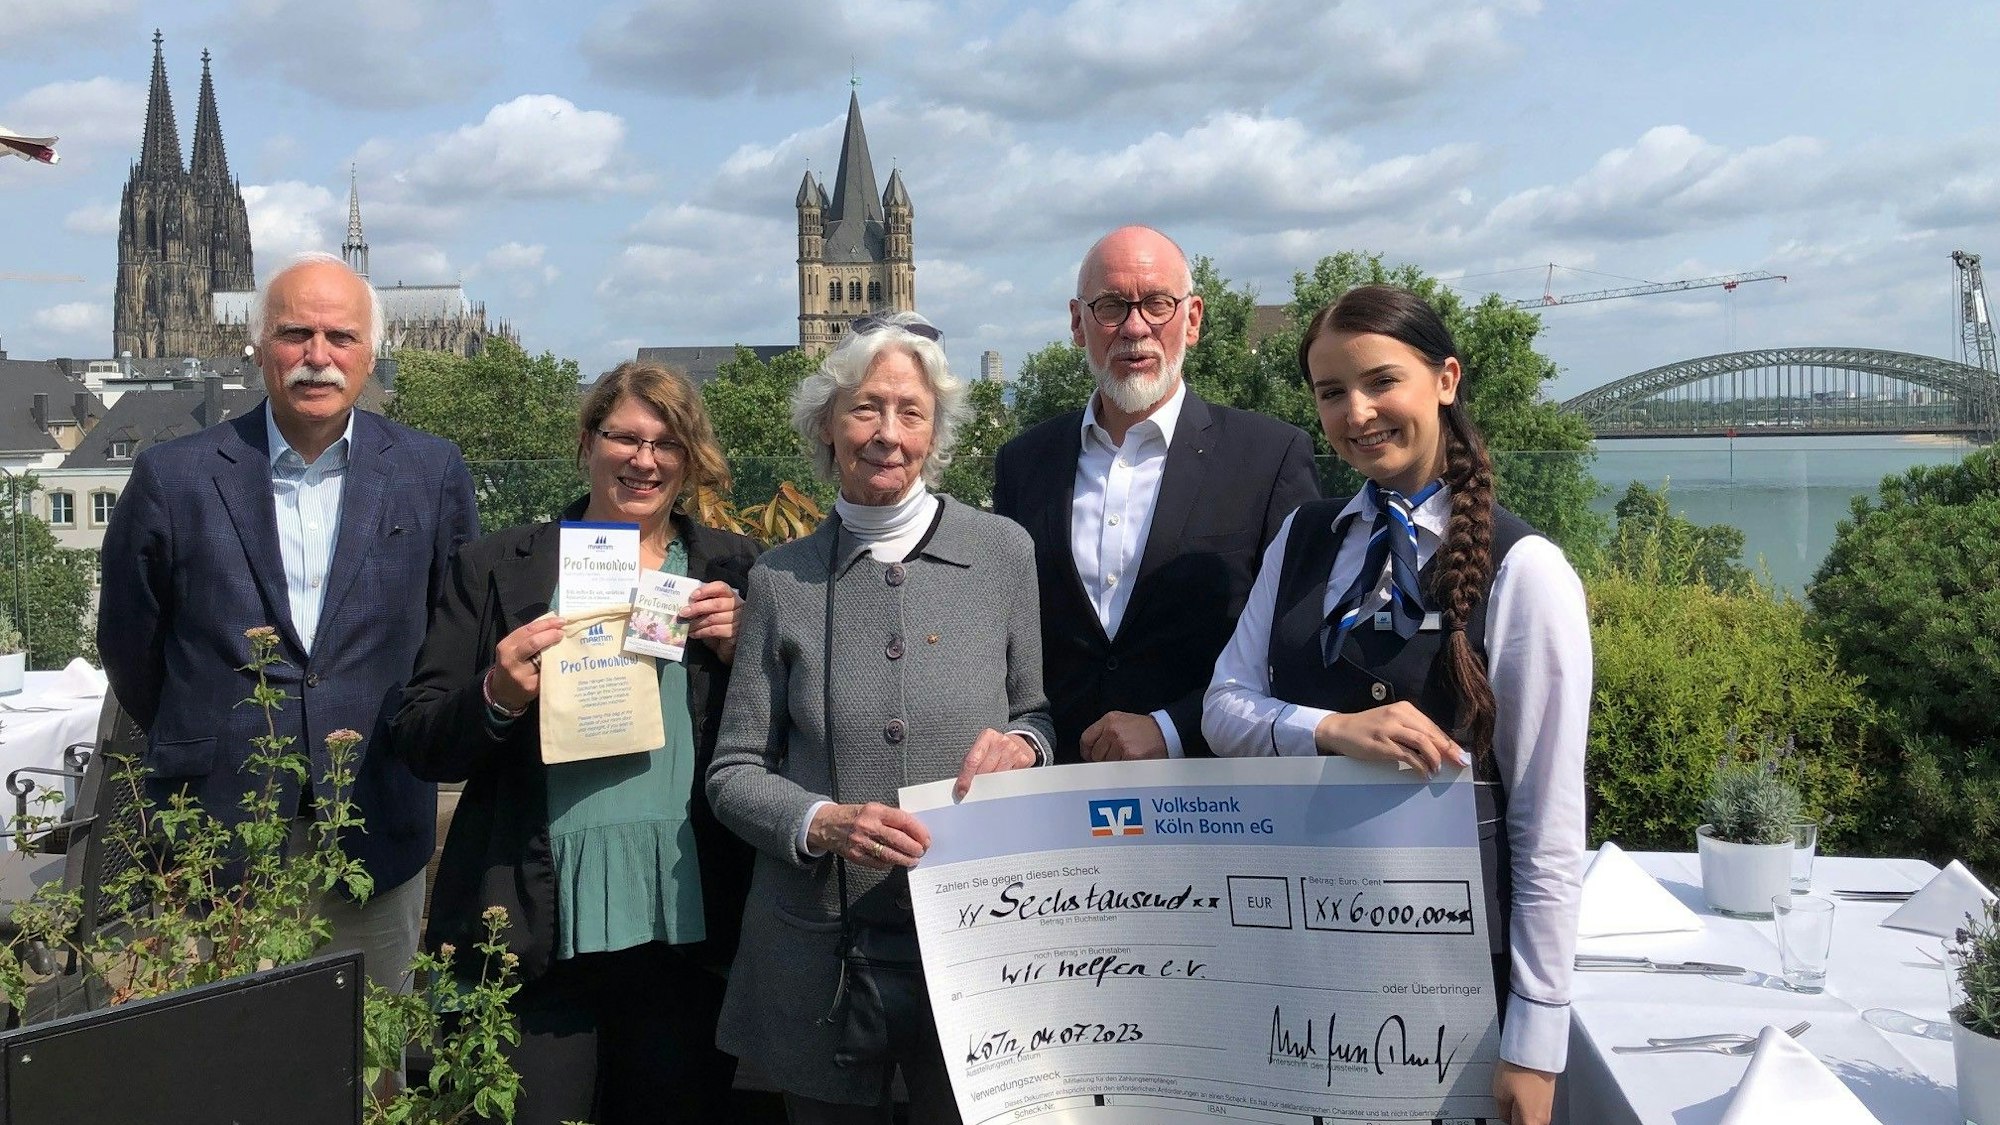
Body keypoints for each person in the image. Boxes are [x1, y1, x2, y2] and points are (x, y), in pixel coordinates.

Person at [1201, 284, 1589, 1125]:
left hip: (1453, 995)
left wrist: (1535, 1039)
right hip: (1297, 971)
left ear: (1445, 379)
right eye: (1331, 391)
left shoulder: (1529, 572)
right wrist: (1330, 729)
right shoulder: (1303, 537)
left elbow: (1548, 828)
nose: (1357, 412)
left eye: (1381, 381)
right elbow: (1223, 708)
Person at [388, 362, 771, 1124]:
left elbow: (785, 733)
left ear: (689, 456)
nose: (644, 459)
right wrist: (495, 694)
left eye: (666, 442)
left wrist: (745, 654)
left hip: (688, 922)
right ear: (587, 441)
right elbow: (421, 738)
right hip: (536, 925)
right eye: (624, 437)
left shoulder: (735, 569)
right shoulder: (496, 567)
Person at [98, 251, 478, 996]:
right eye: (295, 333)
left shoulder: (432, 472)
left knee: (370, 1050)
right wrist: (206, 736)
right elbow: (130, 644)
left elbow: (451, 634)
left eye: (340, 336)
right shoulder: (172, 476)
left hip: (375, 821)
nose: (317, 355)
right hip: (215, 832)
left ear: (371, 352)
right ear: (257, 345)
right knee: (221, 1054)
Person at [707, 311, 1054, 1124]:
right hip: (819, 952)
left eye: (911, 412)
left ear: (935, 432)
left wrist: (1024, 748)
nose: (887, 434)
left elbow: (1035, 713)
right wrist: (821, 821)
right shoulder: (780, 579)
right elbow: (733, 771)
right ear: (827, 425)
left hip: (973, 940)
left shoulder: (1004, 553)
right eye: (865, 408)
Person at [991, 224, 1318, 764]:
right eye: (1111, 306)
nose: (1135, 327)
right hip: (1056, 786)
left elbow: (1294, 646)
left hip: (1211, 790)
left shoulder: (1268, 458)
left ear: (1192, 320)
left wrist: (1173, 728)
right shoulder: (1023, 464)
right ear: (1077, 323)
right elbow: (1005, 640)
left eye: (1157, 304)